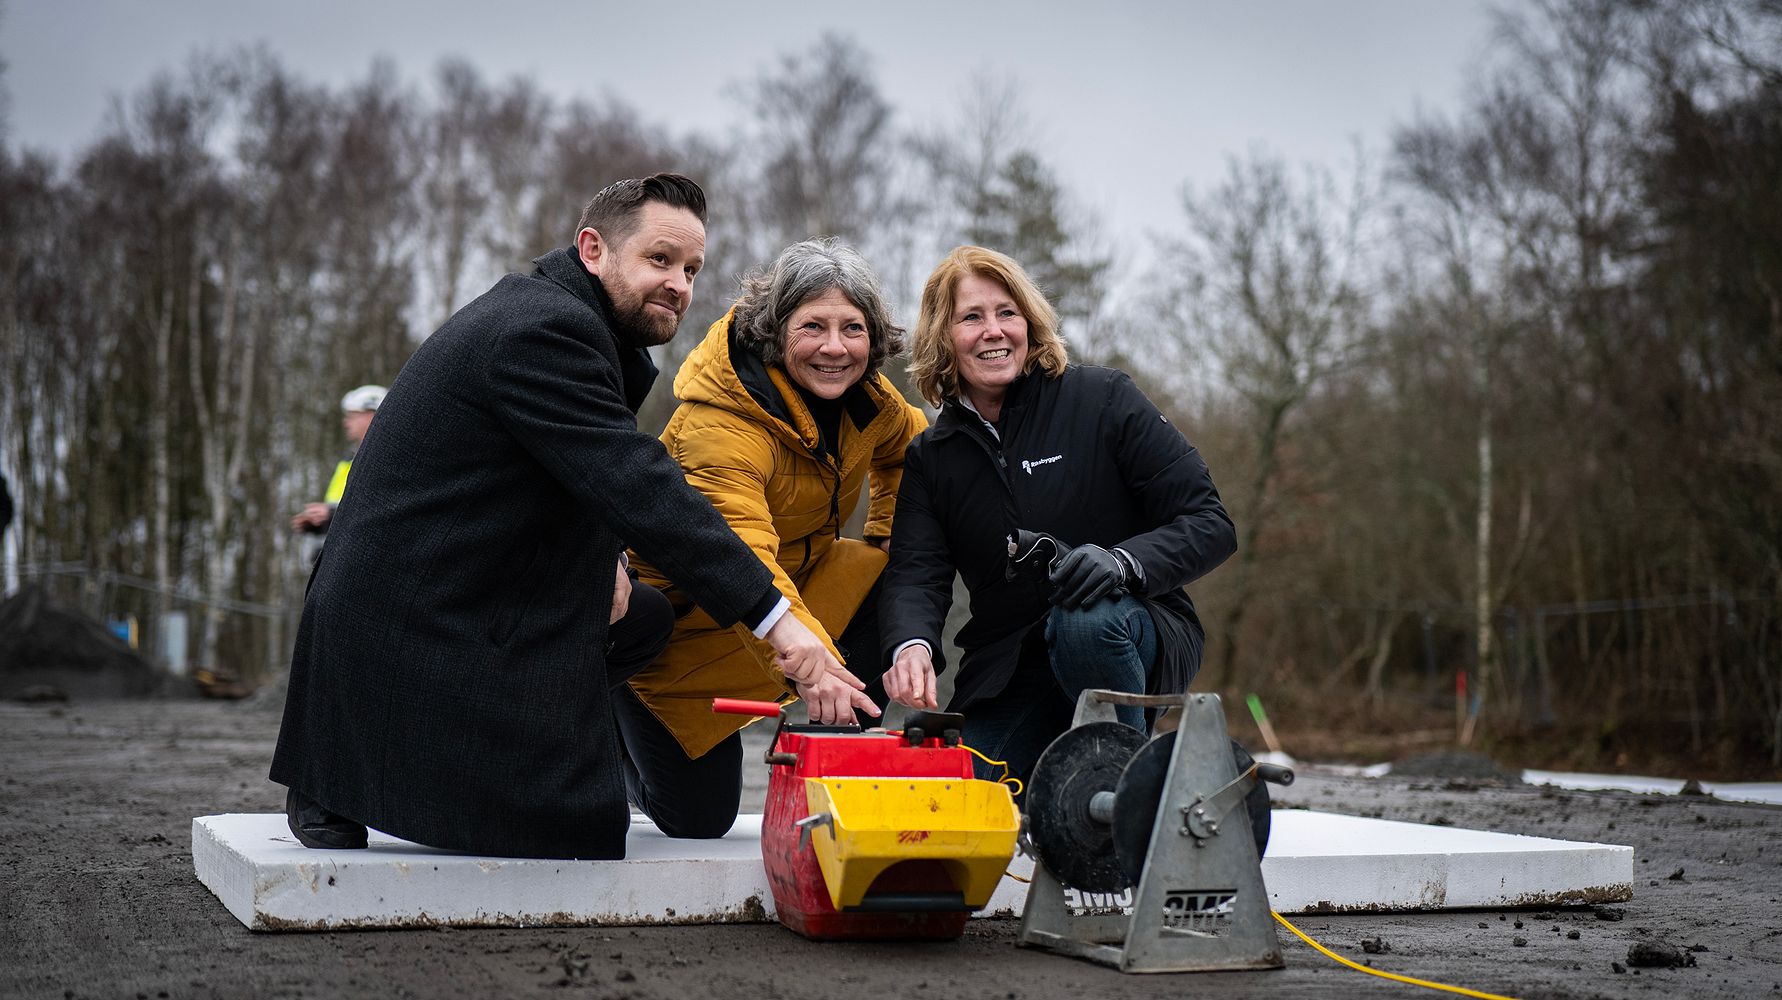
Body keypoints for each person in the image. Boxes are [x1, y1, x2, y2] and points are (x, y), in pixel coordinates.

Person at [270, 174, 869, 859]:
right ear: (593, 248)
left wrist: (608, 558)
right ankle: (340, 778)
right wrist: (781, 626)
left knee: (642, 620)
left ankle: (558, 741)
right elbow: (641, 487)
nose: (679, 283)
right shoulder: (543, 330)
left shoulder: (564, 321)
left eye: (693, 269)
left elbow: (563, 471)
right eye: (660, 260)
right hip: (410, 623)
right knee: (574, 832)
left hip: (467, 587)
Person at [878, 246, 1236, 789]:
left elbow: (1210, 523)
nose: (993, 331)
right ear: (942, 338)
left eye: (1007, 313)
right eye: (971, 317)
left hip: (1132, 629)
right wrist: (911, 647)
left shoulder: (1103, 399)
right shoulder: (932, 457)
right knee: (962, 793)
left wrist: (1121, 563)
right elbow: (915, 573)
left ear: (1030, 322)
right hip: (1009, 669)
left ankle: (1130, 791)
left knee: (1085, 621)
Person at [622, 238, 926, 837]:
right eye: (813, 326)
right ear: (775, 329)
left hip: (794, 599)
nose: (835, 348)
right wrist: (809, 665)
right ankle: (610, 732)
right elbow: (741, 564)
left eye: (853, 328)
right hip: (695, 622)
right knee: (700, 820)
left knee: (892, 572)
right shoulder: (720, 427)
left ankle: (832, 758)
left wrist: (886, 535)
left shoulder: (870, 401)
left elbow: (912, 451)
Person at [289, 384, 385, 551]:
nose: (346, 422)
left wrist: (331, 514)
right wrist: (320, 524)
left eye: (353, 416)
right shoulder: (349, 461)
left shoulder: (385, 459)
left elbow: (378, 510)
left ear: (372, 415)